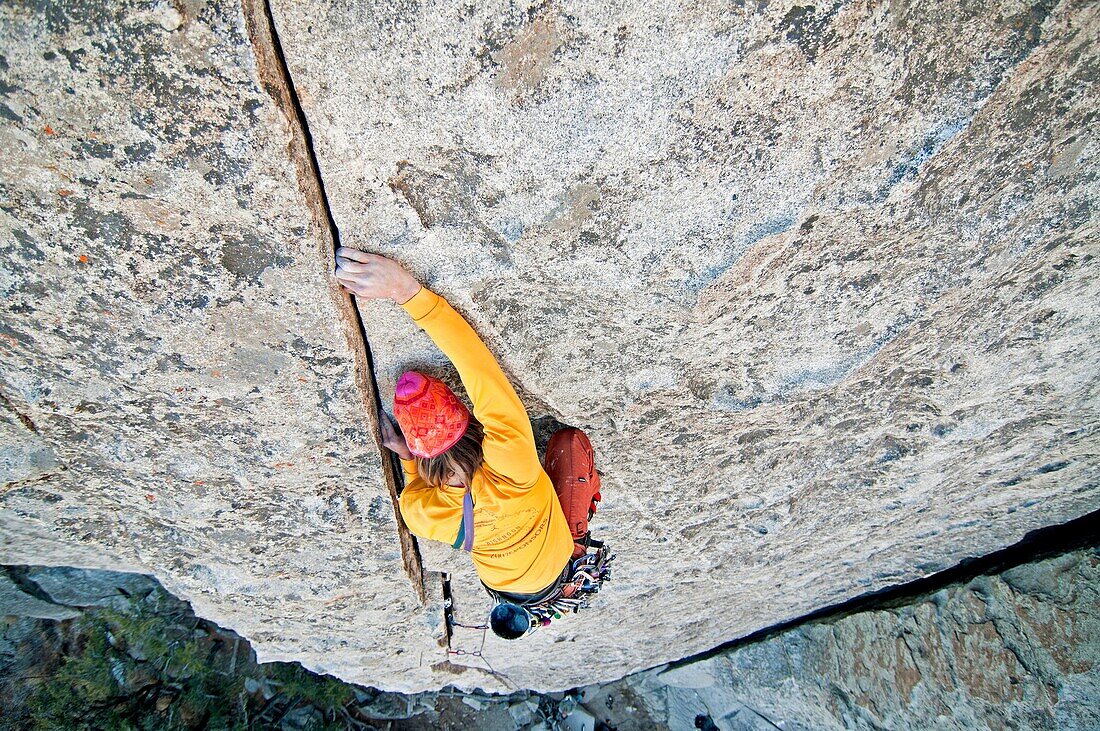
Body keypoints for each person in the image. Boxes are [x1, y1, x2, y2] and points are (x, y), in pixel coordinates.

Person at [333, 248, 605, 639]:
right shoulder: (508, 463)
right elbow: (476, 366)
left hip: (523, 589)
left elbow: (417, 484)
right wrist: (406, 290)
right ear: (473, 423)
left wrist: (409, 462)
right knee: (569, 442)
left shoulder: (417, 511)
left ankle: (561, 565)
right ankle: (574, 534)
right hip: (547, 571)